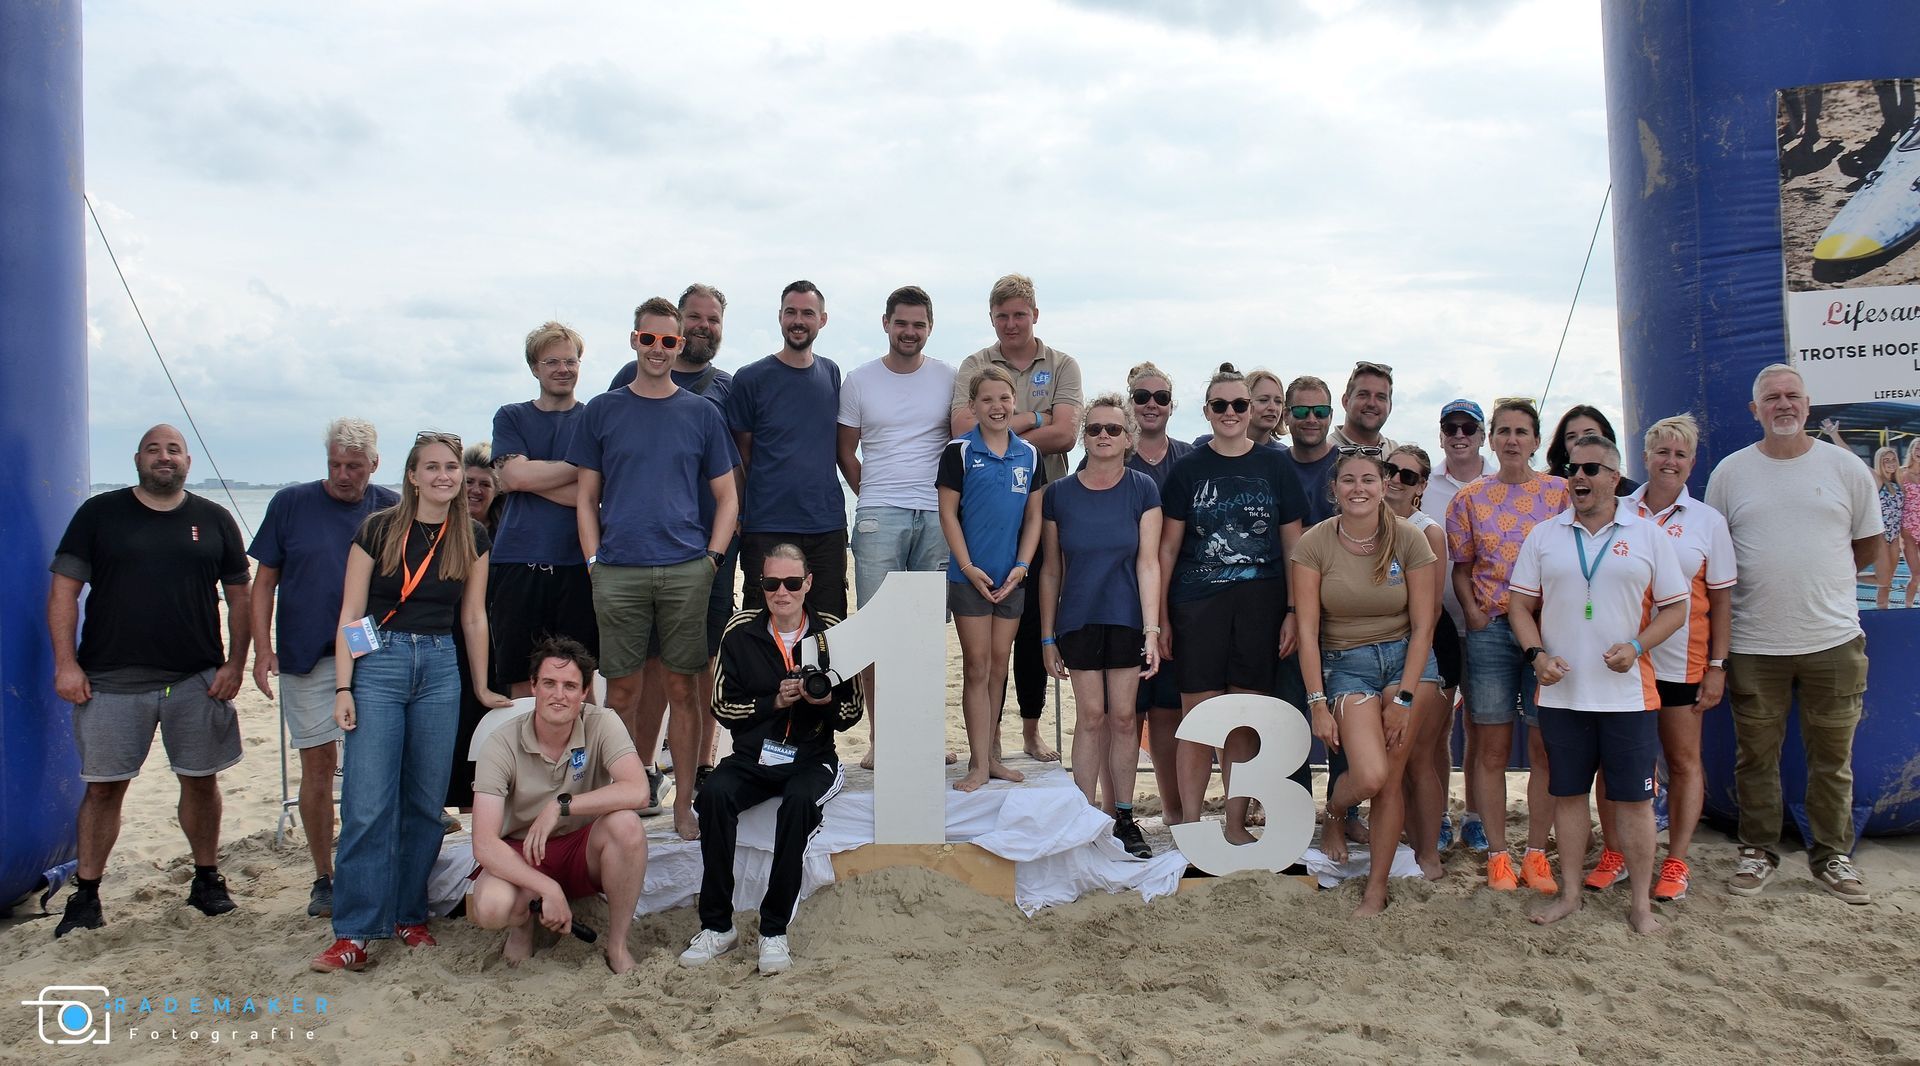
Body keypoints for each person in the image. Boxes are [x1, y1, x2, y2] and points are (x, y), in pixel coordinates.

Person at [313, 431, 512, 972]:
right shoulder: (377, 529)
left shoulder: (471, 535)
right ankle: (355, 931)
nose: (444, 476)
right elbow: (352, 614)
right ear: (412, 476)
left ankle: (407, 914)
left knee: (426, 804)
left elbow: (474, 616)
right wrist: (344, 687)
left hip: (440, 666)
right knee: (367, 803)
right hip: (380, 662)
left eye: (451, 467)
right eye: (433, 467)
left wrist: (481, 687)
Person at [47, 425, 252, 938]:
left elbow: (241, 597)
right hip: (110, 680)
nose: (165, 457)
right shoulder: (99, 514)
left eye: (174, 450)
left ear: (188, 461)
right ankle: (86, 894)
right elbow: (64, 592)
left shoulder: (214, 518)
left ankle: (206, 879)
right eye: (154, 449)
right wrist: (66, 664)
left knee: (200, 781)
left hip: (195, 678)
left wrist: (235, 664)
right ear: (138, 458)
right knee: (104, 789)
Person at [1706, 364, 1879, 904]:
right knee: (1755, 758)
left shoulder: (1846, 468)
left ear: (1808, 404)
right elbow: (1715, 557)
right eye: (1771, 397)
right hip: (1755, 645)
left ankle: (1832, 856)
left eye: (1792, 396)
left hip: (1834, 640)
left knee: (1832, 760)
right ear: (1754, 410)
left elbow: (1868, 545)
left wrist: (1821, 584)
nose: (1783, 404)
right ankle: (1758, 851)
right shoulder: (1730, 473)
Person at [571, 296, 740, 841]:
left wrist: (712, 560)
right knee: (619, 694)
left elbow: (728, 497)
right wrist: (594, 561)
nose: (659, 349)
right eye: (650, 339)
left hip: (685, 570)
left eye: (669, 341)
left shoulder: (702, 413)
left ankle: (683, 806)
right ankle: (618, 803)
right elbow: (586, 496)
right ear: (634, 340)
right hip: (618, 570)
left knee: (684, 691)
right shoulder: (603, 410)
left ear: (679, 344)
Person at [1508, 433, 1688, 935]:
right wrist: (1536, 656)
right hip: (1562, 693)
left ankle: (1641, 906)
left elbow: (1677, 608)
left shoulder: (1648, 535)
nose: (1579, 477)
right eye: (1572, 469)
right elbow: (1519, 606)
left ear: (1614, 477)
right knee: (1568, 796)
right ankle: (1570, 895)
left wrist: (1637, 646)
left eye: (1591, 469)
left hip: (1628, 696)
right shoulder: (1544, 535)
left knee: (1633, 801)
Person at [680, 544, 864, 975]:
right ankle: (717, 925)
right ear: (760, 585)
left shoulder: (834, 631)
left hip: (812, 757)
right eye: (771, 583)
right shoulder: (740, 630)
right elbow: (721, 707)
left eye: (792, 583)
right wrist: (773, 702)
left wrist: (822, 702)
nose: (782, 592)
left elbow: (852, 712)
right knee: (714, 795)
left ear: (808, 584)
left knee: (798, 804)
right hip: (753, 757)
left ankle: (774, 930)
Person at [248, 417, 398, 919]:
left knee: (375, 765)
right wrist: (262, 649)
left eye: (354, 466)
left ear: (373, 465)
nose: (342, 475)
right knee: (318, 767)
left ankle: (373, 867)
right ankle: (323, 876)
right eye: (335, 464)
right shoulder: (290, 503)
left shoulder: (389, 507)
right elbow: (263, 582)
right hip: (306, 652)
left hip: (368, 648)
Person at [1158, 364, 1309, 845]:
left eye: (1239, 404)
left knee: (1244, 718)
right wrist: (1159, 619)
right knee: (1198, 718)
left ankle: (1235, 823)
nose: (1230, 412)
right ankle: (1189, 826)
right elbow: (1167, 549)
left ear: (1251, 410)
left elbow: (1294, 546)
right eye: (1220, 405)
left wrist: (1293, 611)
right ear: (1206, 411)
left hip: (1261, 607)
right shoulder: (1188, 469)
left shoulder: (1276, 467)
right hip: (1196, 606)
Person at [1294, 449, 1442, 914]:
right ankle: (1336, 812)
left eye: (1368, 480)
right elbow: (1307, 632)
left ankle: (1376, 888)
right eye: (1348, 480)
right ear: (1334, 489)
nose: (1358, 488)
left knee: (1391, 779)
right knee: (1371, 775)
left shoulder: (1410, 538)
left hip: (1407, 662)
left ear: (1383, 486)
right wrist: (1318, 703)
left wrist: (1404, 698)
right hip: (1347, 663)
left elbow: (1425, 625)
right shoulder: (1314, 543)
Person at [1596, 414, 1734, 903]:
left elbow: (1722, 601)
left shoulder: (1708, 522)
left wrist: (1717, 666)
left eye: (1680, 454)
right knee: (1614, 762)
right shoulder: (1618, 509)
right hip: (1623, 660)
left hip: (1681, 661)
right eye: (1661, 452)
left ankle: (1676, 860)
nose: (1670, 462)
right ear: (1646, 457)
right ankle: (1613, 853)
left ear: (1691, 463)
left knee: (1682, 760)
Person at [950, 274, 1083, 763]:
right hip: (987, 514)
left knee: (1031, 628)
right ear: (992, 318)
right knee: (985, 649)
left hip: (1047, 506)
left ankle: (1029, 730)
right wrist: (1032, 420)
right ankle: (989, 743)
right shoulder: (975, 364)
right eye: (1002, 316)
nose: (1011, 324)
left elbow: (1067, 435)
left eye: (1019, 315)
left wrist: (1005, 431)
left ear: (1035, 316)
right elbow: (962, 428)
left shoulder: (1062, 364)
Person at [468, 638, 649, 974]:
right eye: (549, 683)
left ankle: (617, 945)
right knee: (492, 907)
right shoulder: (501, 742)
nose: (559, 695)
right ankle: (523, 927)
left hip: (581, 847)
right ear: (533, 686)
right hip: (523, 849)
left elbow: (639, 791)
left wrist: (561, 806)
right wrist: (546, 887)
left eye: (570, 686)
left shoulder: (602, 721)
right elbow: (484, 843)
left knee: (627, 825)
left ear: (585, 691)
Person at [620, 284, 735, 813]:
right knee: (648, 667)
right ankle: (643, 767)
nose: (702, 326)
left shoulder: (726, 388)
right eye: (694, 317)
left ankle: (704, 764)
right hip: (646, 548)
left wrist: (726, 540)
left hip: (710, 547)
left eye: (713, 319)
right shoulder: (627, 380)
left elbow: (740, 463)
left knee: (703, 661)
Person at [1445, 398, 1566, 893]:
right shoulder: (1470, 498)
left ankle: (1536, 853)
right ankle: (1498, 855)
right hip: (1492, 631)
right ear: (1491, 440)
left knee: (1543, 748)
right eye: (1504, 431)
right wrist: (1473, 614)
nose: (1512, 440)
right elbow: (1462, 568)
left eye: (1522, 431)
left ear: (1536, 440)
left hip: (1546, 631)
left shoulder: (1560, 493)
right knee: (1491, 747)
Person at [837, 285, 956, 770]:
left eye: (919, 324)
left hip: (935, 515)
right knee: (876, 630)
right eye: (901, 323)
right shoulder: (859, 381)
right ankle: (880, 739)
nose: (910, 332)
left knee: (925, 632)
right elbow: (846, 450)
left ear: (930, 327)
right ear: (886, 323)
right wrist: (873, 495)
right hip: (879, 514)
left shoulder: (948, 378)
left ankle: (924, 736)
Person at [1039, 393, 1163, 857]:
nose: (1104, 436)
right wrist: (1047, 636)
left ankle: (1124, 818)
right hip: (1078, 619)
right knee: (1090, 716)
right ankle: (1082, 815)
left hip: (1127, 618)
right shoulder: (1059, 494)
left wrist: (1152, 630)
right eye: (1094, 429)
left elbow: (1149, 563)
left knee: (1125, 718)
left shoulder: (1142, 489)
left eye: (1114, 429)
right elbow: (1052, 571)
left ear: (1128, 437)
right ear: (1083, 437)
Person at [940, 365, 1044, 792]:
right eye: (987, 399)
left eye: (1004, 398)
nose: (997, 406)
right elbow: (948, 514)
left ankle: (993, 758)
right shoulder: (959, 451)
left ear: (1014, 401)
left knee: (1000, 666)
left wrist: (1022, 567)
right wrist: (967, 567)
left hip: (1011, 578)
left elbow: (1034, 518)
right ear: (973, 406)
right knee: (977, 667)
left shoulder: (1029, 454)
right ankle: (978, 763)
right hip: (970, 578)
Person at [489, 321, 599, 702]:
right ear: (535, 368)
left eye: (570, 361)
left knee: (579, 678)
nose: (562, 369)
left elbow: (598, 493)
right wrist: (578, 467)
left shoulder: (594, 417)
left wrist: (530, 477)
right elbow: (513, 477)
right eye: (552, 362)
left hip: (578, 563)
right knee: (522, 677)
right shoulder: (511, 416)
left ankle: (582, 746)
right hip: (518, 561)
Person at [729, 280, 849, 619]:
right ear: (780, 317)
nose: (798, 321)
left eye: (807, 313)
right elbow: (741, 455)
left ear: (822, 320)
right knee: (762, 624)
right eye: (791, 312)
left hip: (825, 524)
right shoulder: (750, 378)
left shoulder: (831, 372)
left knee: (829, 625)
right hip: (767, 524)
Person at [1420, 399, 1497, 854]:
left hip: (1489, 622)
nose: (1460, 435)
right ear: (1441, 434)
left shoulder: (1501, 480)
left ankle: (1476, 817)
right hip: (1439, 623)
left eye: (1469, 427)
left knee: (1482, 726)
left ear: (1483, 435)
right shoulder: (1425, 485)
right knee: (1437, 727)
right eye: (1451, 427)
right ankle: (1440, 816)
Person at [1120, 363, 1193, 823]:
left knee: (1167, 713)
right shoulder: (1110, 450)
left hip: (1177, 602)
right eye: (1142, 396)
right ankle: (1115, 812)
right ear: (1130, 402)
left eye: (1160, 397)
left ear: (1172, 404)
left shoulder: (1189, 458)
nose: (1151, 404)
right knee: (1122, 714)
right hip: (1121, 599)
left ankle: (1173, 811)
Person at [1383, 443, 1454, 880]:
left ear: (1421, 487)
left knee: (1419, 756)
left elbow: (1432, 609)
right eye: (1390, 469)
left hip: (1428, 646)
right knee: (1392, 758)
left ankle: (1429, 854)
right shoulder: (1365, 522)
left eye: (1407, 476)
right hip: (1380, 648)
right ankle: (1406, 844)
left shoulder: (1428, 532)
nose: (1395, 479)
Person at [1283, 375, 1340, 526]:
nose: (1311, 419)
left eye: (1320, 411)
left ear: (1331, 416)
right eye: (1301, 411)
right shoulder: (1274, 467)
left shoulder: (1347, 464)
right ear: (1286, 416)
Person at [1546, 404, 1640, 496]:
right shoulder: (1547, 488)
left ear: (1607, 439)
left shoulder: (1633, 494)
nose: (1580, 440)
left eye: (1589, 434)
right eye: (1571, 436)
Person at [1193, 369, 1286, 451]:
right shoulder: (1203, 446)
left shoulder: (1283, 457)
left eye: (1278, 401)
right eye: (1263, 400)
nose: (1272, 407)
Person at [1328, 360, 1399, 453]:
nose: (1371, 403)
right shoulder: (1324, 453)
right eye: (1363, 395)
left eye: (1381, 397)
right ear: (1346, 401)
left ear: (1390, 407)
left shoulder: (1396, 453)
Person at [1871, 446, 1904, 611]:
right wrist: (1834, 435)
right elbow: (1854, 459)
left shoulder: (1898, 482)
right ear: (1880, 463)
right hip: (1881, 535)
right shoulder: (1878, 480)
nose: (1891, 463)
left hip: (1895, 536)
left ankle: (1883, 608)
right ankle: (1851, 578)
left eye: (1893, 459)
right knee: (1883, 579)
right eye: (1886, 460)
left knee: (1888, 579)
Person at [464, 441, 504, 537]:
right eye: (469, 482)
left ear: (497, 491)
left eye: (485, 484)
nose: (476, 490)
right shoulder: (439, 527)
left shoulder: (506, 533)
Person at [1903, 442, 1920, 609]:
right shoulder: (1901, 473)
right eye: (1917, 448)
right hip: (1908, 530)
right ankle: (1908, 607)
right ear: (1912, 451)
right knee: (1916, 575)